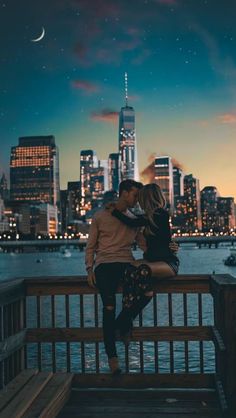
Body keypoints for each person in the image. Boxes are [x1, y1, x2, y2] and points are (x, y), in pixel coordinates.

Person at [85, 180, 178, 375]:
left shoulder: (135, 219)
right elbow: (91, 246)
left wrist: (169, 247)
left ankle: (124, 325)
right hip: (103, 266)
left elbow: (145, 244)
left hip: (126, 263)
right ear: (124, 193)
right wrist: (89, 270)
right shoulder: (100, 216)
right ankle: (113, 360)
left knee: (141, 292)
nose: (137, 200)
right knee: (108, 308)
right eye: (135, 195)